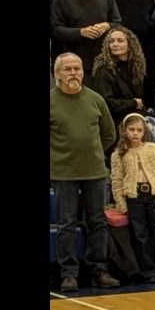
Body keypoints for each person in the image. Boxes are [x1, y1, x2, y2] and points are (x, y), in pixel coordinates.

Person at [51, 53, 122, 292]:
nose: (73, 73)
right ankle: (69, 274)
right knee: (66, 225)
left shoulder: (95, 100)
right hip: (63, 174)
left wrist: (93, 153)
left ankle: (99, 270)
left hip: (95, 172)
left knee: (98, 222)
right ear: (56, 74)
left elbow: (109, 134)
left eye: (77, 68)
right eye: (67, 69)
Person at [110, 113, 155, 282]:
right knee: (140, 236)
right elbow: (116, 180)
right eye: (131, 129)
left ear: (144, 131)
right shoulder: (119, 154)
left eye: (139, 130)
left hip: (153, 195)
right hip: (134, 197)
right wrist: (121, 203)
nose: (135, 133)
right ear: (124, 131)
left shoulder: (153, 149)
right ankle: (149, 272)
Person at [52, 0, 122, 82]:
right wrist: (80, 32)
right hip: (76, 68)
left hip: (106, 65)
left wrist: (107, 26)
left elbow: (118, 24)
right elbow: (56, 30)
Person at [93, 27, 149, 148]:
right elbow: (107, 102)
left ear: (130, 45)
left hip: (136, 122)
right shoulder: (104, 71)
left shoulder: (136, 67)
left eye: (120, 41)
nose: (115, 44)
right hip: (115, 125)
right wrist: (133, 103)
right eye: (111, 41)